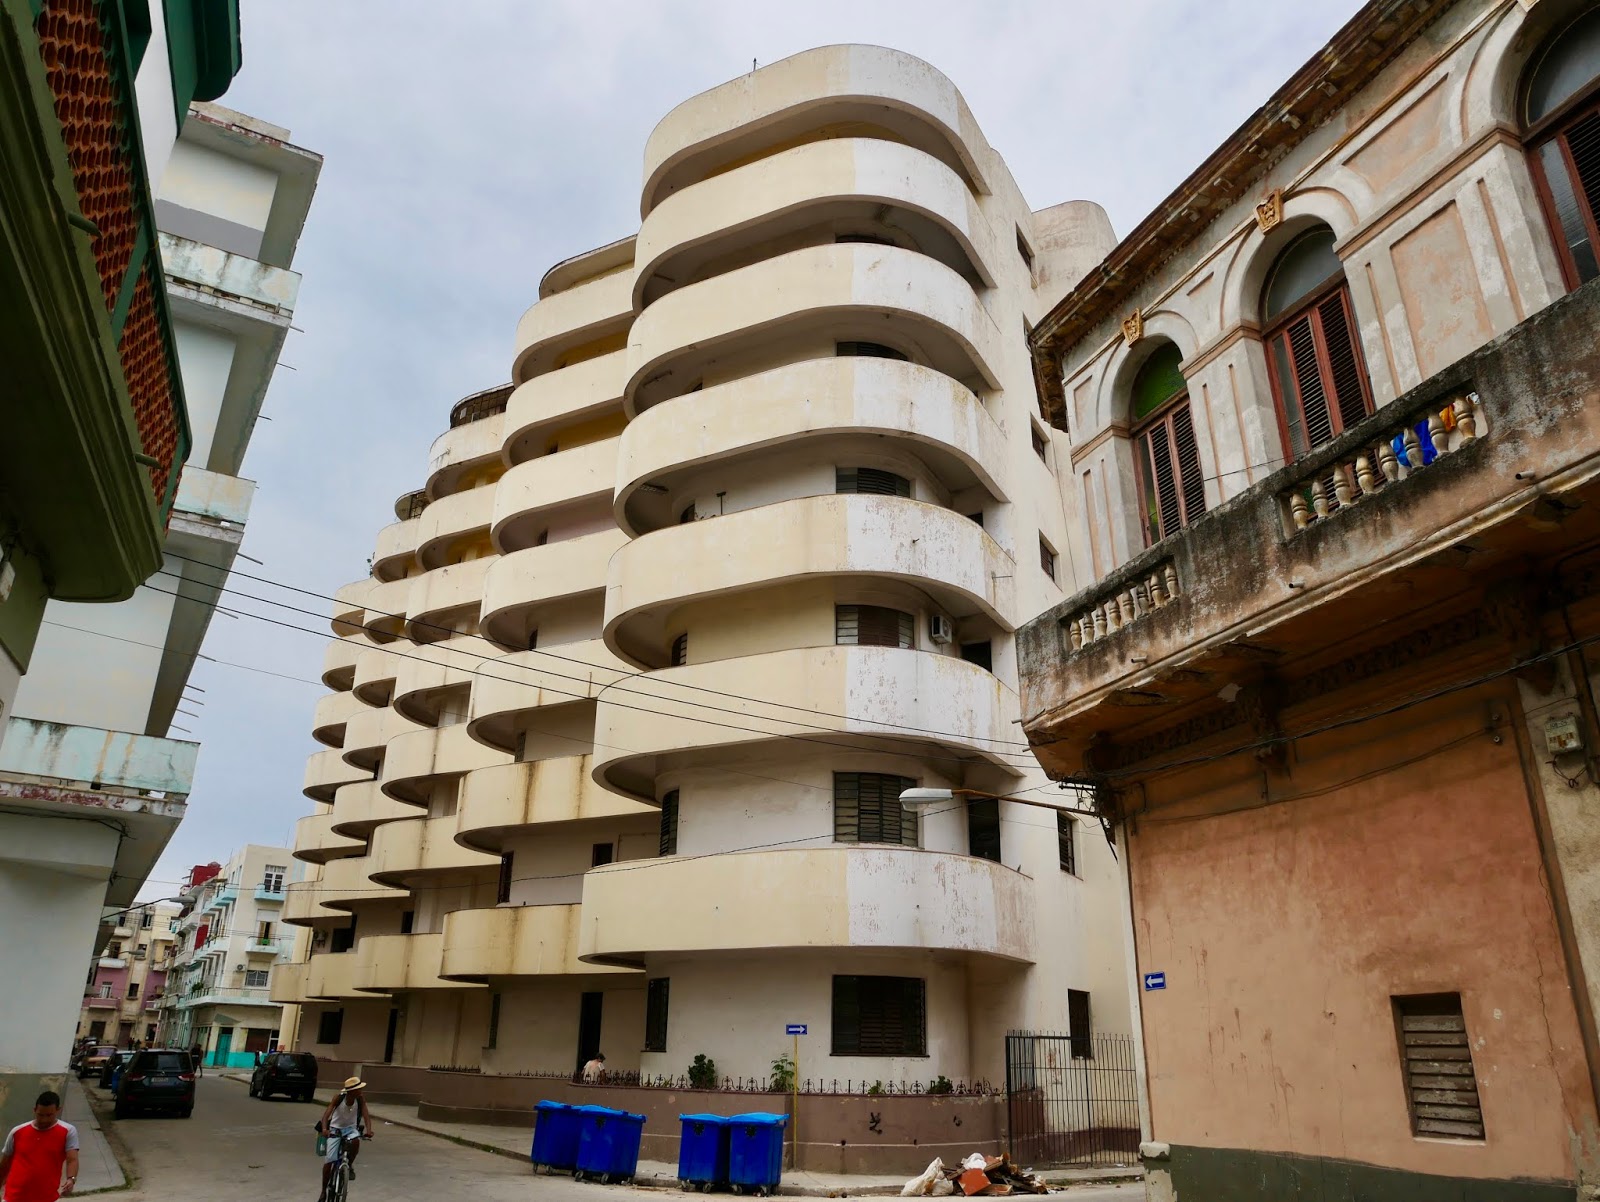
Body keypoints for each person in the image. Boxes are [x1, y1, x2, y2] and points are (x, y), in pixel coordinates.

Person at [0, 1091, 79, 1202]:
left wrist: (71, 1179)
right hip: (14, 1197)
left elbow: (72, 1159)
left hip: (46, 1197)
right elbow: (5, 1164)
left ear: (58, 1110)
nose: (44, 1119)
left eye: (49, 1115)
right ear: (34, 1110)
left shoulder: (67, 1131)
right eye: (40, 1115)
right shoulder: (17, 1132)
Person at [315, 1078, 373, 1199]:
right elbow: (326, 1116)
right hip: (335, 1129)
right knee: (329, 1160)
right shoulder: (338, 1098)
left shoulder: (360, 1099)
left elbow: (366, 1115)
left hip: (350, 1129)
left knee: (356, 1141)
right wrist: (325, 1129)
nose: (361, 1091)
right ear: (352, 1091)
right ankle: (323, 1191)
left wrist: (368, 1130)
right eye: (359, 1089)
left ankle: (349, 1165)